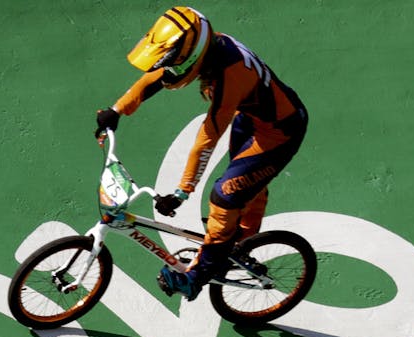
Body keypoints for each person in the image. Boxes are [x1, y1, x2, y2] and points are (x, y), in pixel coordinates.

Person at [94, 7, 307, 300]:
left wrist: (183, 192)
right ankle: (240, 241)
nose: (169, 68)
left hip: (279, 132)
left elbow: (207, 138)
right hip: (253, 117)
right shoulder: (209, 49)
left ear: (192, 55)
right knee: (243, 184)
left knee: (224, 195)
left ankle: (198, 276)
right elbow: (157, 75)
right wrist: (117, 110)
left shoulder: (231, 75)